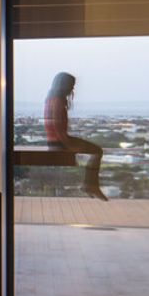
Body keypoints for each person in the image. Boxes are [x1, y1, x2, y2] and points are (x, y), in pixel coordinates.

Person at [45, 71, 108, 201]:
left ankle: (90, 185)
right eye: (71, 85)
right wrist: (68, 145)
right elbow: (57, 126)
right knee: (97, 151)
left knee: (96, 151)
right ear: (64, 85)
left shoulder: (51, 99)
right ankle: (90, 185)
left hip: (54, 141)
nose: (72, 89)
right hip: (59, 142)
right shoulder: (57, 101)